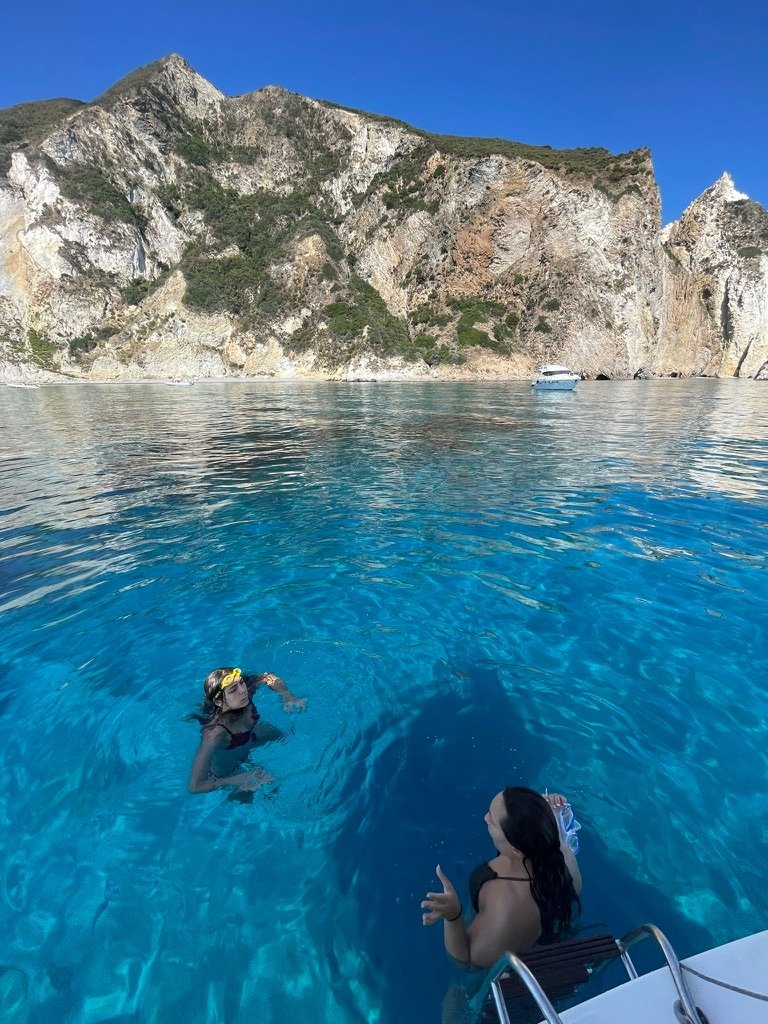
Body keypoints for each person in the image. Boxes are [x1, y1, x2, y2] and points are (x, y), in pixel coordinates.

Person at [421, 786, 582, 968]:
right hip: (549, 936)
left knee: (458, 994)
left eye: (492, 821)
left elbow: (465, 961)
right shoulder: (564, 856)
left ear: (516, 850)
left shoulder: (504, 907)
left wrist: (453, 916)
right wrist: (542, 808)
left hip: (503, 966)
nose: (485, 818)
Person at [188, 667, 306, 795]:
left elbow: (268, 677)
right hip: (228, 765)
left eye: (241, 682)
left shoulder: (245, 692)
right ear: (218, 701)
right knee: (259, 788)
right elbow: (195, 786)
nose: (243, 690)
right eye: (233, 690)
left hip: (251, 736)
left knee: (288, 738)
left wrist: (287, 696)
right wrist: (238, 779)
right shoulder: (214, 733)